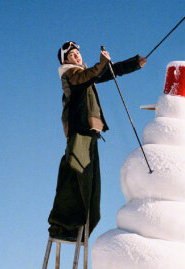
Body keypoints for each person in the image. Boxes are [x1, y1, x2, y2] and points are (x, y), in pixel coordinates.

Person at [48, 41, 147, 241]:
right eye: (73, 55)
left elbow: (109, 72)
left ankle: (81, 228)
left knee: (92, 186)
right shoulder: (71, 75)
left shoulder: (87, 75)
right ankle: (65, 227)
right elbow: (88, 75)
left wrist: (134, 64)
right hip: (80, 133)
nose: (77, 56)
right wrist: (100, 64)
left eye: (78, 53)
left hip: (91, 134)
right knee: (78, 177)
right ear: (66, 60)